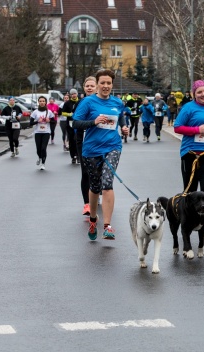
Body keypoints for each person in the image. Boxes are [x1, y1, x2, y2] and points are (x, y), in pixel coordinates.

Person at [72, 69, 129, 240]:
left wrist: (124, 128)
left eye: (108, 83)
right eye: (102, 83)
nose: (105, 86)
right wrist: (93, 122)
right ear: (97, 84)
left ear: (112, 85)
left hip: (112, 147)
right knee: (95, 186)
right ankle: (93, 218)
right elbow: (75, 123)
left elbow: (121, 117)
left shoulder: (117, 102)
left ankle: (108, 225)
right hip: (91, 150)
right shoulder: (87, 102)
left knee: (107, 183)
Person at [173, 80, 204, 240]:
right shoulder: (188, 108)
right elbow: (177, 127)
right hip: (190, 154)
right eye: (199, 92)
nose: (203, 94)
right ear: (194, 94)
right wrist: (196, 130)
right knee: (190, 192)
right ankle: (187, 222)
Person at [76, 77, 97, 216]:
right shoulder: (80, 103)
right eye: (87, 85)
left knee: (96, 172)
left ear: (96, 87)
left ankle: (96, 194)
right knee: (85, 172)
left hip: (97, 141)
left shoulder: (100, 103)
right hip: (82, 140)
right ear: (84, 87)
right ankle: (87, 204)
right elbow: (76, 122)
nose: (89, 88)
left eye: (92, 85)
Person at [30, 96, 56, 170]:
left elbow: (54, 121)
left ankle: (43, 163)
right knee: (38, 149)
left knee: (43, 148)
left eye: (43, 101)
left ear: (45, 102)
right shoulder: (35, 112)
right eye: (40, 101)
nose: (42, 102)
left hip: (46, 132)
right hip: (37, 132)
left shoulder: (49, 112)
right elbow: (30, 123)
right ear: (38, 102)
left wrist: (49, 121)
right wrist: (37, 121)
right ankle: (40, 157)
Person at [61, 89, 80, 164]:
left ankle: (78, 155)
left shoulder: (80, 102)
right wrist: (70, 114)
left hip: (79, 123)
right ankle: (73, 156)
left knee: (78, 139)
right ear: (70, 95)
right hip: (70, 123)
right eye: (72, 94)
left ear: (77, 94)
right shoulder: (67, 103)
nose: (73, 95)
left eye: (75, 94)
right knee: (71, 140)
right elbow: (63, 113)